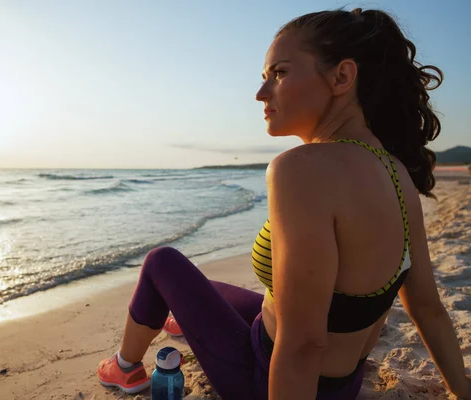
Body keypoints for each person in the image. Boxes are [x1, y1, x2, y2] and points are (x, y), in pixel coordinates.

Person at [96, 7, 471, 400]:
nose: (261, 93)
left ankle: (124, 368)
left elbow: (304, 344)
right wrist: (461, 388)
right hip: (344, 381)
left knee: (162, 263)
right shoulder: (396, 173)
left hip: (267, 377)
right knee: (208, 289)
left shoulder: (300, 170)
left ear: (341, 77)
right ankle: (179, 321)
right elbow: (427, 308)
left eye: (280, 73)